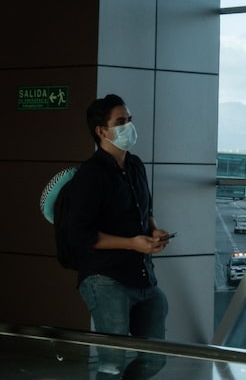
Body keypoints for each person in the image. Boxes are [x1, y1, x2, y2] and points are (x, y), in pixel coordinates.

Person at [64, 94, 170, 378]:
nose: (128, 126)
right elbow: (79, 234)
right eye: (120, 122)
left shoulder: (134, 165)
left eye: (129, 120)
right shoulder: (91, 174)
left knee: (156, 358)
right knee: (112, 364)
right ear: (101, 131)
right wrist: (132, 244)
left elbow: (145, 210)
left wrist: (153, 231)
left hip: (142, 274)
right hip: (105, 277)